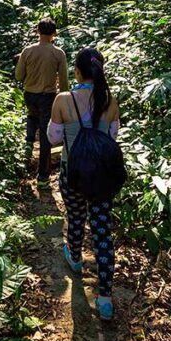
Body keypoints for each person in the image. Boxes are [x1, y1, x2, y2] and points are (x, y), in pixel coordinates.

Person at [47, 47, 120, 321]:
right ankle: (105, 299)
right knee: (102, 231)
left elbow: (54, 138)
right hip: (102, 177)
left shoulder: (63, 100)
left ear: (76, 72)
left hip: (72, 174)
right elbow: (112, 137)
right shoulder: (110, 100)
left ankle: (75, 260)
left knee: (76, 218)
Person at [15, 18, 69, 189]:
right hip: (48, 96)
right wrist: (65, 99)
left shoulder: (27, 51)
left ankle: (29, 142)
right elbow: (64, 81)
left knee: (32, 116)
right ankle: (43, 177)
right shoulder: (58, 53)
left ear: (38, 32)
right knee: (46, 134)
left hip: (29, 94)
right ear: (54, 34)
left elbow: (18, 76)